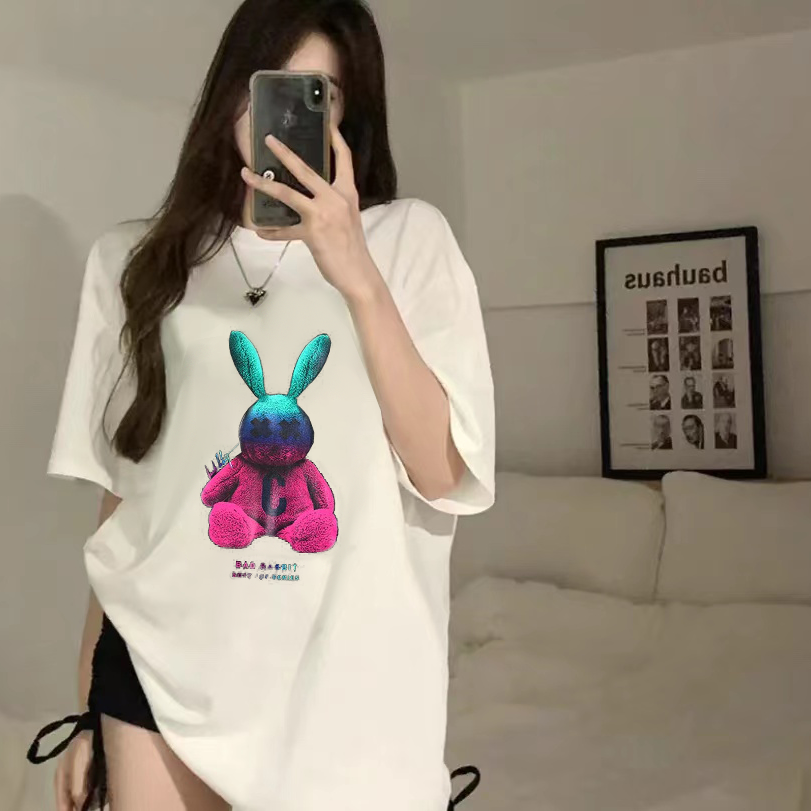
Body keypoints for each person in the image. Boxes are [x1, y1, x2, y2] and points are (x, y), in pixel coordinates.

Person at [25, 2, 495, 810]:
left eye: (317, 94)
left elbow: (440, 469)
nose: (279, 118)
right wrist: (87, 709)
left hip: (342, 686)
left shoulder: (407, 242)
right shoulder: (137, 262)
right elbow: (126, 504)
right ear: (227, 96)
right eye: (264, 85)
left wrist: (355, 274)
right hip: (159, 671)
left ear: (347, 116)